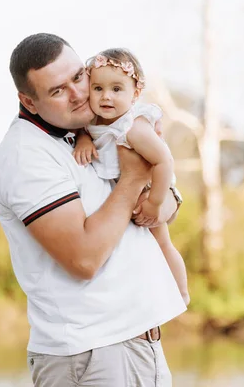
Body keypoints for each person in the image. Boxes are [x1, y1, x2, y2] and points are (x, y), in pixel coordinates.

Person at [0, 33, 186, 386]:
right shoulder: (28, 155)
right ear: (28, 101)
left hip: (132, 348)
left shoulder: (96, 127)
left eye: (79, 76)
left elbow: (162, 207)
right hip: (93, 356)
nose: (80, 93)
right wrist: (134, 179)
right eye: (57, 90)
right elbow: (84, 259)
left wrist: (161, 195)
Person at [72, 48, 189, 305]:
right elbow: (82, 129)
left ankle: (181, 294)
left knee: (162, 243)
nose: (106, 97)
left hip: (150, 186)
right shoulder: (94, 121)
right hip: (123, 190)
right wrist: (82, 139)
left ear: (135, 94)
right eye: (98, 88)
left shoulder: (133, 126)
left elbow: (163, 161)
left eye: (116, 89)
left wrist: (155, 202)